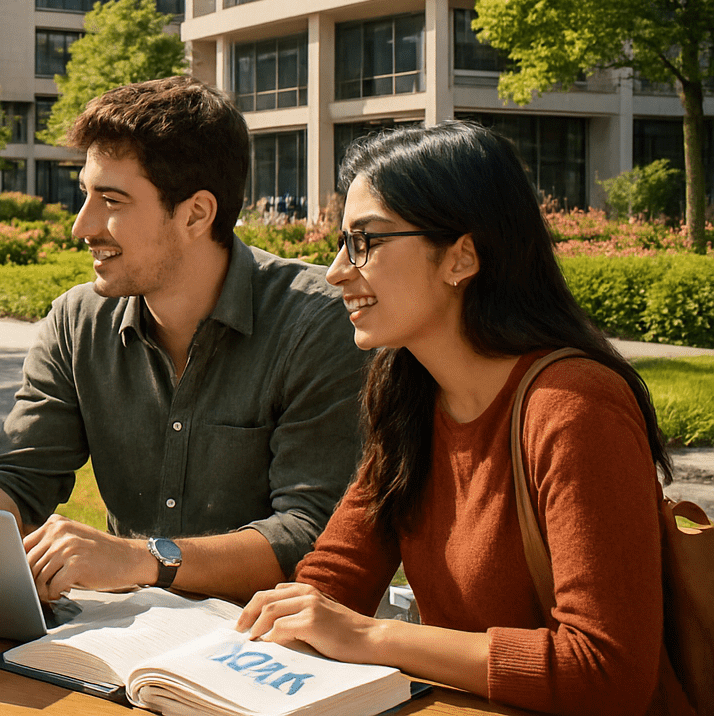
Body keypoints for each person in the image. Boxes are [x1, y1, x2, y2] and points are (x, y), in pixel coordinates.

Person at [236, 121, 678, 716]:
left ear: (461, 257)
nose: (338, 270)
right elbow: (336, 577)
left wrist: (372, 637)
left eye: (365, 242)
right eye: (342, 242)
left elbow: (606, 670)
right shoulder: (410, 393)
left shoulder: (574, 407)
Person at [0, 77, 366, 603]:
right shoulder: (76, 321)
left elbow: (311, 534)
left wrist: (139, 559)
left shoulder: (317, 323)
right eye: (86, 194)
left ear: (196, 214)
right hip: (126, 640)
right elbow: (19, 473)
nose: (82, 226)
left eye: (111, 200)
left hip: (270, 651)